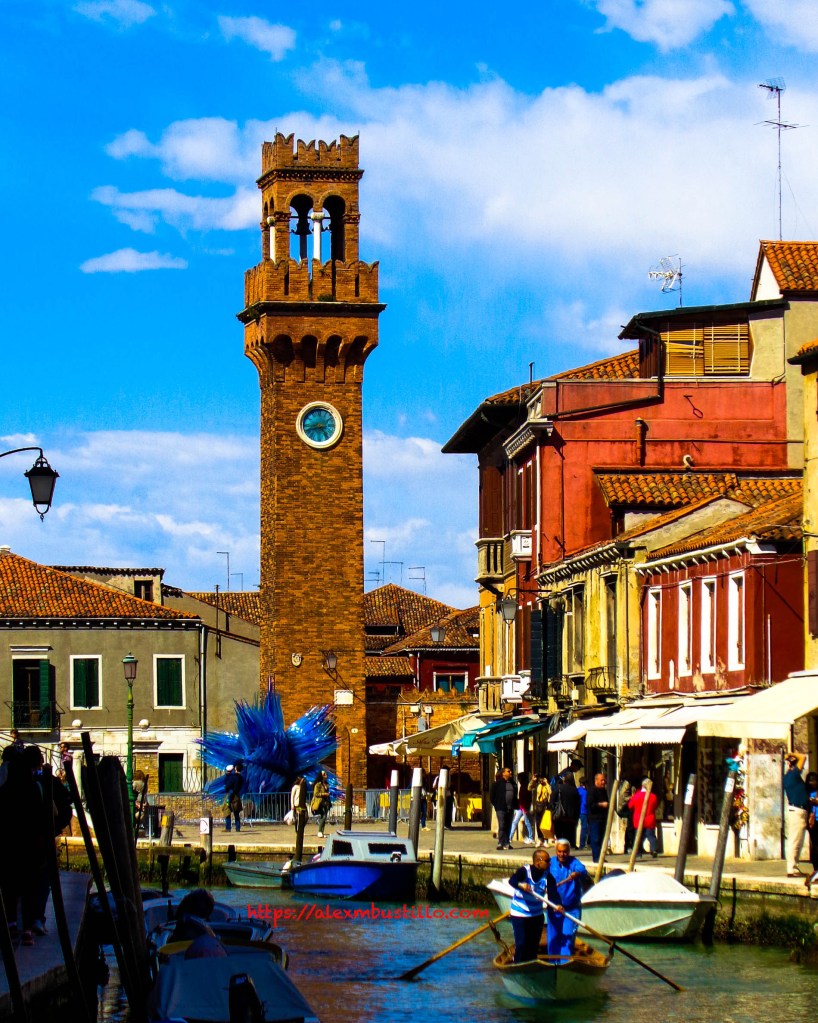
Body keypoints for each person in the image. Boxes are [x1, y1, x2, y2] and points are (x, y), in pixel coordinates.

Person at [545, 838, 589, 957]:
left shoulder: (574, 862)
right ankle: (553, 962)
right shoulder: (550, 863)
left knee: (567, 939)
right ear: (556, 851)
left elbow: (583, 870)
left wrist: (577, 873)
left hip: (571, 909)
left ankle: (564, 962)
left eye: (565, 852)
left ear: (569, 851)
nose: (562, 854)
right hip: (554, 908)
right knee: (553, 939)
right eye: (559, 851)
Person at [508, 848, 552, 962]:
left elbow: (553, 893)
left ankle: (531, 965)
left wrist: (558, 905)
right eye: (547, 861)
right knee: (521, 944)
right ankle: (517, 965)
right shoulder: (524, 871)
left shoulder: (547, 875)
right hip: (520, 913)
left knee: (533, 946)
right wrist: (521, 885)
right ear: (538, 861)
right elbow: (512, 881)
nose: (550, 863)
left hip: (537, 914)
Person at [784, 752, 809, 876]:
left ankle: (793, 867)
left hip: (797, 810)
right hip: (797, 811)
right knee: (795, 841)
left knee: (796, 840)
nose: (802, 768)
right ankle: (792, 869)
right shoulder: (793, 775)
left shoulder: (789, 777)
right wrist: (791, 754)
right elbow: (803, 757)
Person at [628, 778, 659, 857]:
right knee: (651, 835)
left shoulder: (636, 796)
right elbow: (655, 806)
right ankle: (654, 849)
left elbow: (630, 806)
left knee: (638, 837)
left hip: (638, 819)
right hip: (649, 818)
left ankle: (638, 852)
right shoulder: (653, 796)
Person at [550, 769, 580, 846]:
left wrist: (553, 811)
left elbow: (552, 800)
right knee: (569, 835)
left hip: (559, 816)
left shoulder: (559, 788)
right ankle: (569, 847)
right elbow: (578, 804)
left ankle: (561, 847)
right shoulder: (575, 790)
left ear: (565, 779)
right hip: (571, 817)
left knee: (560, 835)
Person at [490, 767, 517, 850]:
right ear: (503, 773)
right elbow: (492, 797)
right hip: (501, 808)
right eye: (508, 771)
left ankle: (507, 843)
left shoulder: (513, 783)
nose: (510, 772)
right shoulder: (497, 784)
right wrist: (497, 805)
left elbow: (515, 795)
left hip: (510, 808)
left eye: (510, 771)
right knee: (502, 825)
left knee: (508, 825)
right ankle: (501, 843)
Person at [587, 773, 610, 863]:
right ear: (596, 781)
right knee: (595, 839)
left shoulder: (604, 791)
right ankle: (596, 858)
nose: (603, 782)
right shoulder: (592, 791)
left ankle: (601, 857)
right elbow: (590, 804)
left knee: (601, 839)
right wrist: (601, 804)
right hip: (594, 819)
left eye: (604, 780)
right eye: (601, 780)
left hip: (603, 818)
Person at [509, 772, 535, 845]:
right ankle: (510, 837)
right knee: (515, 822)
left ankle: (531, 837)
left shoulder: (525, 787)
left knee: (527, 822)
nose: (518, 780)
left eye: (519, 778)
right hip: (521, 807)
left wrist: (525, 808)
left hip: (524, 807)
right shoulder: (522, 786)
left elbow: (526, 799)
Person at [529, 773, 552, 848]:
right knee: (538, 823)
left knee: (545, 824)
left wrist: (547, 784)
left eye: (543, 778)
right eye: (540, 778)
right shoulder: (536, 785)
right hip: (537, 806)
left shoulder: (547, 786)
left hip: (545, 806)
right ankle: (540, 839)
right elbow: (529, 788)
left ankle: (545, 840)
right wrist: (533, 781)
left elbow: (550, 793)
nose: (541, 780)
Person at [223, 764, 243, 833]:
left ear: (235, 769)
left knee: (227, 810)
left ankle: (228, 828)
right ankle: (238, 828)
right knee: (236, 812)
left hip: (231, 795)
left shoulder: (233, 777)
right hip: (237, 795)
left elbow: (227, 785)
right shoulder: (241, 777)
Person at [805, 771, 818, 879]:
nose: (812, 783)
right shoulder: (807, 792)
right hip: (813, 822)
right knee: (815, 846)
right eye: (810, 781)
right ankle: (816, 869)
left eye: (814, 781)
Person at [311, 770, 331, 838]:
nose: (326, 775)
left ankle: (322, 832)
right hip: (320, 802)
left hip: (326, 802)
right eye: (324, 774)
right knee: (323, 815)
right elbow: (316, 794)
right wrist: (324, 794)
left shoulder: (326, 784)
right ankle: (319, 831)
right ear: (321, 776)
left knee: (324, 817)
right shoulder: (318, 784)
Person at [577, 777, 589, 849]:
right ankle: (582, 844)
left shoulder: (577, 790)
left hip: (577, 811)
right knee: (584, 828)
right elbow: (585, 803)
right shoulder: (585, 792)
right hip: (584, 811)